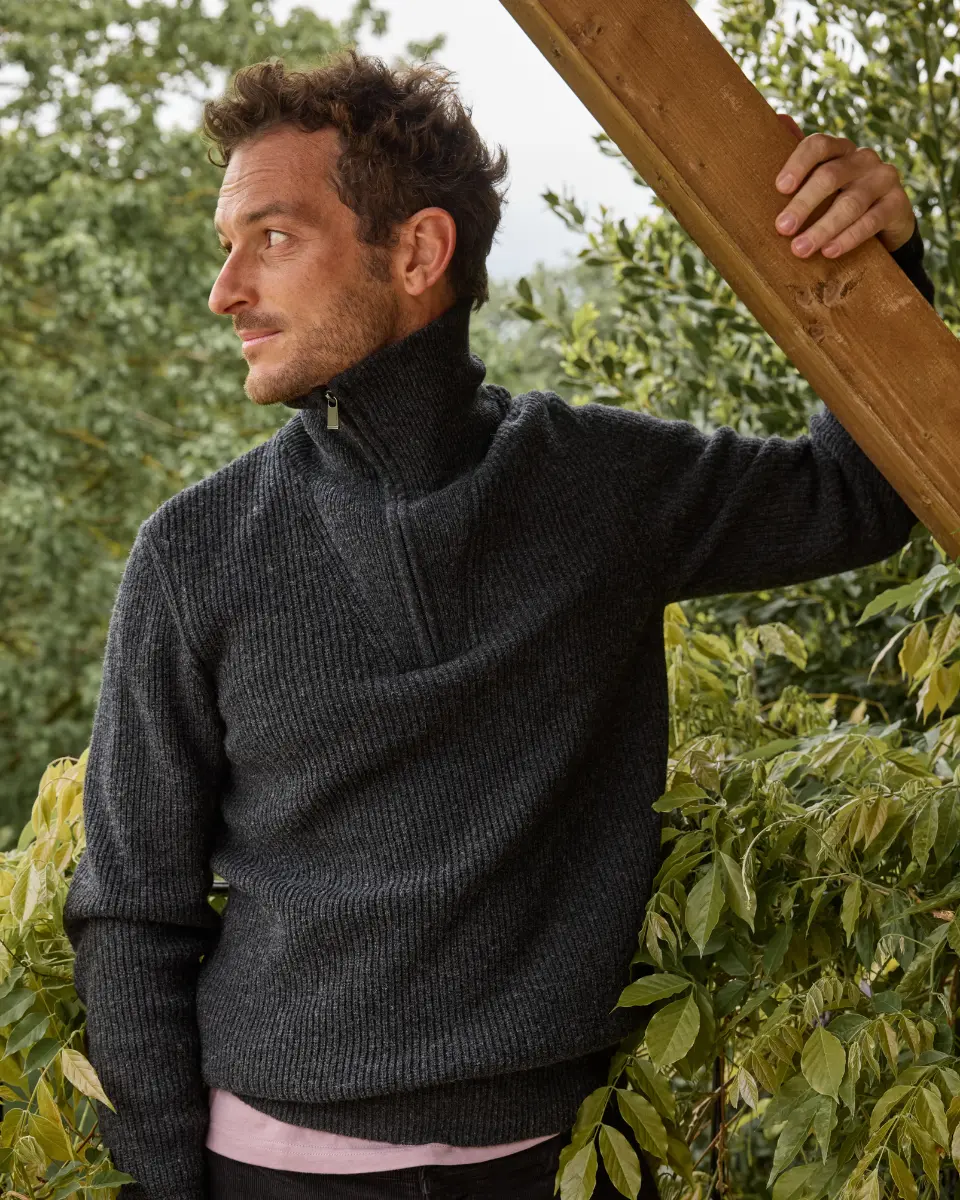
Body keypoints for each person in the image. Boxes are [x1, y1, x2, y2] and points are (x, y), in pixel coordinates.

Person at [62, 47, 937, 1200]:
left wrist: (881, 263)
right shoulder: (195, 552)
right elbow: (132, 911)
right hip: (266, 1170)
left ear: (417, 251)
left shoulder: (598, 486)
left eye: (271, 238)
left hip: (567, 1166)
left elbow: (859, 495)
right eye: (228, 245)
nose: (225, 290)